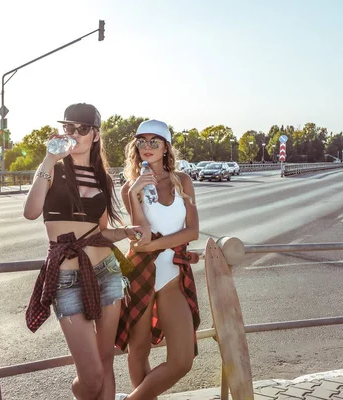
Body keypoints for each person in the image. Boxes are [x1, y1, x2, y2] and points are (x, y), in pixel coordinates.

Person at [24, 103, 147, 400]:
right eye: (69, 128)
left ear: (95, 135)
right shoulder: (52, 169)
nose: (75, 134)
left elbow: (100, 232)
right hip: (66, 279)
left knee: (106, 362)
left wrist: (126, 232)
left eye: (82, 129)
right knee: (91, 378)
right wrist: (49, 159)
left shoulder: (100, 175)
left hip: (107, 273)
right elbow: (31, 212)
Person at [115, 120, 201, 400]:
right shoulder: (130, 187)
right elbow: (141, 237)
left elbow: (192, 231)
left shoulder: (183, 180)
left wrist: (158, 244)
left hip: (172, 274)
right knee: (139, 350)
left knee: (182, 360)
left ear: (166, 147)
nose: (147, 147)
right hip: (140, 273)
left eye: (155, 141)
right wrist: (134, 193)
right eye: (142, 141)